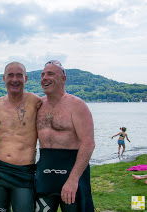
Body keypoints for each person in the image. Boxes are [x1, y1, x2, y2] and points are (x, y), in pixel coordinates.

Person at [0, 62, 41, 212]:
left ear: (26, 78)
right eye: (10, 75)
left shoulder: (36, 102)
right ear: (3, 78)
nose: (15, 79)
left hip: (23, 172)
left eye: (19, 75)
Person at [35, 60, 95, 212]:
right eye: (42, 74)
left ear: (63, 78)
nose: (44, 78)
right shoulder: (37, 105)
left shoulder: (77, 105)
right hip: (45, 173)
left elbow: (88, 144)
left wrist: (73, 180)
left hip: (72, 172)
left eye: (50, 73)